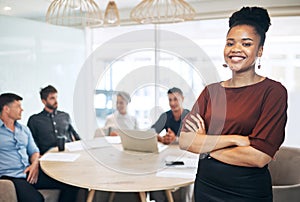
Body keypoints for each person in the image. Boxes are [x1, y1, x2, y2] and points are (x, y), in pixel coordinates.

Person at [179, 6, 288, 202]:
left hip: (246, 191)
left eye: (246, 44)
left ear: (260, 50)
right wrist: (236, 139)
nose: (236, 49)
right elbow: (186, 141)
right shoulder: (211, 92)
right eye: (230, 43)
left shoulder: (273, 92)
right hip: (206, 187)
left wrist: (205, 145)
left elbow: (258, 157)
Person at [0, 93, 79, 202]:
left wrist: (34, 165)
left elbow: (34, 151)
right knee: (36, 199)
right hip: (11, 176)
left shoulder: (23, 130)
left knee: (71, 183)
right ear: (6, 109)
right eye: (18, 106)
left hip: (30, 171)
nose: (22, 110)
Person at [150, 87, 191, 202]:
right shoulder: (166, 116)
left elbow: (194, 139)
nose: (172, 103)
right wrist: (161, 138)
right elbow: (151, 133)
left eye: (175, 99)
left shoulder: (190, 116)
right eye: (170, 100)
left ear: (182, 99)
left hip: (185, 156)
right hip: (168, 155)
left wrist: (176, 139)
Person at [27, 85, 80, 155]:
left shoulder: (65, 116)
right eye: (52, 98)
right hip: (47, 156)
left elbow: (75, 136)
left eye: (56, 97)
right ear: (44, 101)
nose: (56, 101)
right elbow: (31, 143)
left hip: (68, 153)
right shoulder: (34, 120)